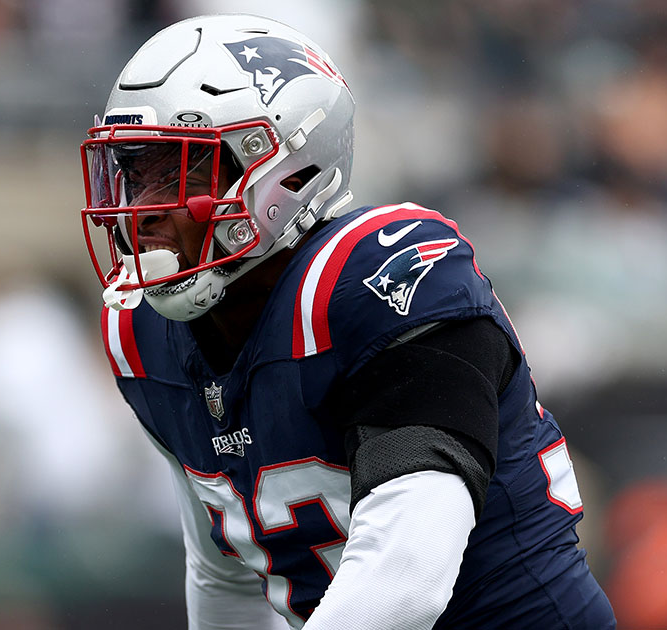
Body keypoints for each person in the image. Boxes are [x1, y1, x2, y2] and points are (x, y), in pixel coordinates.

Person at [78, 14, 616, 629]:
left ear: (284, 172)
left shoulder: (385, 277)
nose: (142, 211)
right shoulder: (144, 334)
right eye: (135, 174)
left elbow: (405, 576)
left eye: (179, 172)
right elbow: (226, 574)